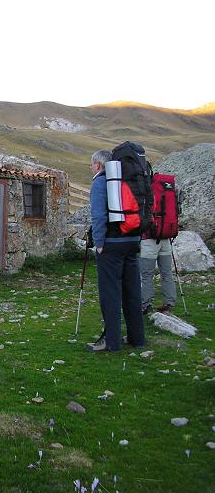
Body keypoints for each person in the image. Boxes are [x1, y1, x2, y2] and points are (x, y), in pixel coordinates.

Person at [86, 150, 145, 352]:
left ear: (98, 165)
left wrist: (98, 242)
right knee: (132, 291)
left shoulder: (100, 182)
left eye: (92, 164)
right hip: (133, 239)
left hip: (112, 242)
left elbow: (98, 215)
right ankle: (137, 338)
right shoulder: (129, 180)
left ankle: (112, 341)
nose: (91, 168)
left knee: (110, 293)